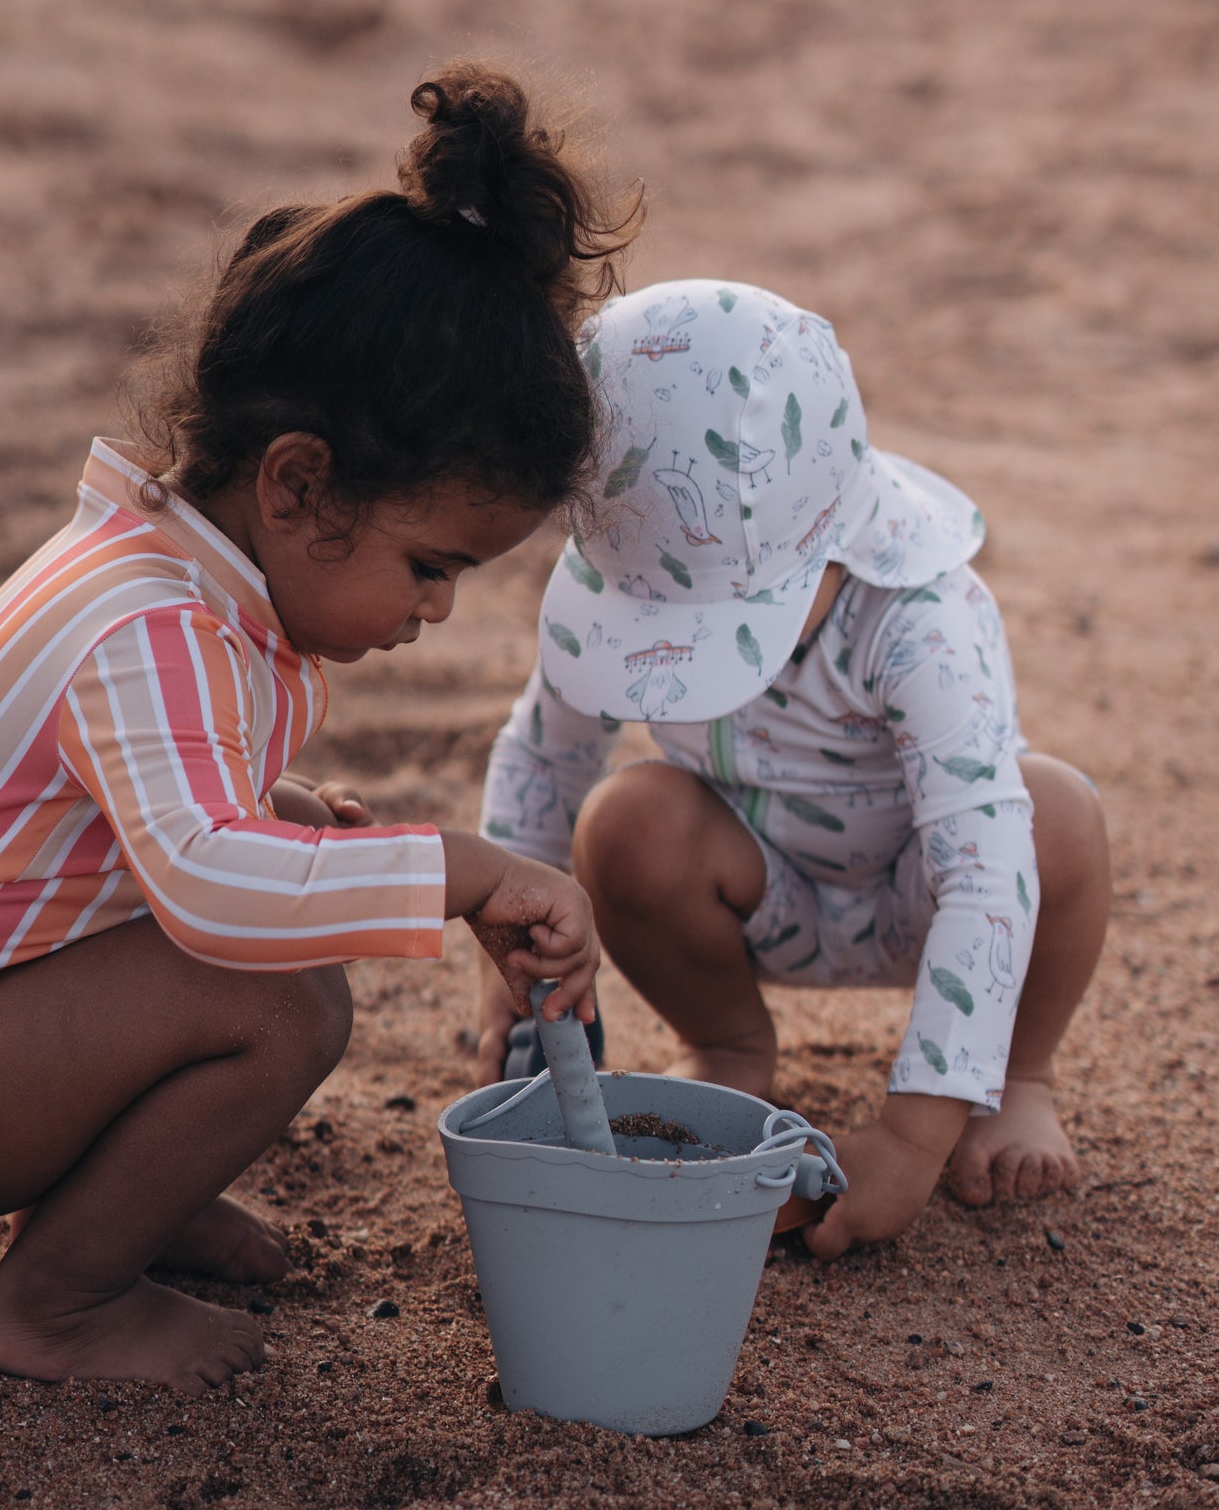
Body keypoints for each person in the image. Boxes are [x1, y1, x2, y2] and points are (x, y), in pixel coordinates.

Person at [0, 64, 637, 1392]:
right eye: (430, 564)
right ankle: (53, 1304)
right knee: (278, 1002)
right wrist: (461, 869)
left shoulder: (176, 579)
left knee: (272, 935)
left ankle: (123, 1192)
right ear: (298, 484)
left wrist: (287, 822)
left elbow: (123, 828)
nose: (437, 612)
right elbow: (216, 895)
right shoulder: (150, 625)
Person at [475, 279, 1109, 1259]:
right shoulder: (629, 555)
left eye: (721, 616)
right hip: (753, 893)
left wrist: (910, 1135)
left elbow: (983, 869)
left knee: (1051, 814)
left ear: (832, 529)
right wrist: (504, 951)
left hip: (923, 894)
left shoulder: (918, 618)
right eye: (659, 620)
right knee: (620, 821)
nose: (682, 646)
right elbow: (545, 756)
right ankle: (729, 1042)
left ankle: (1016, 1076)